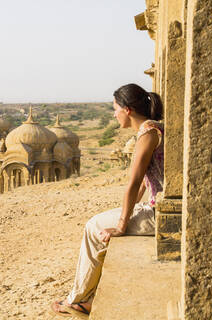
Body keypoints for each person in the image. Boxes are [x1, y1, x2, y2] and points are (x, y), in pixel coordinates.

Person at [51, 83, 164, 318]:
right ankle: (84, 296)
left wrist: (122, 225)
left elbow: (133, 183)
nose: (114, 115)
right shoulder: (152, 130)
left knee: (93, 227)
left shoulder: (148, 132)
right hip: (157, 205)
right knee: (99, 223)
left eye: (116, 109)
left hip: (160, 212)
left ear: (128, 109)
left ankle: (78, 300)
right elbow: (145, 181)